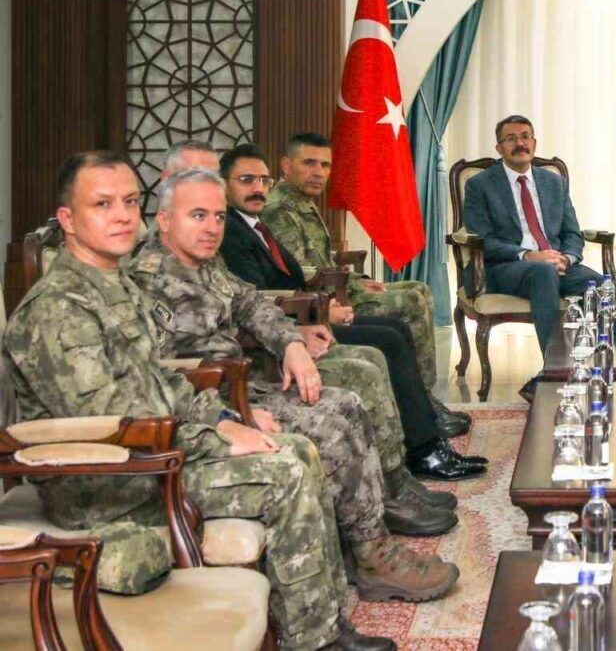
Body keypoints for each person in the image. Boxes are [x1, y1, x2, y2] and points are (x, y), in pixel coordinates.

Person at [1, 151, 396, 650]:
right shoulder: (60, 309)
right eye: (102, 204)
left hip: (151, 453)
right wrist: (216, 439)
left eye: (129, 202)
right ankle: (314, 641)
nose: (122, 216)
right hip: (108, 484)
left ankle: (324, 623)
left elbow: (161, 381)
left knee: (295, 448)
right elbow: (111, 421)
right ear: (68, 220)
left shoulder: (112, 285)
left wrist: (226, 419)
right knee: (288, 471)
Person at [129, 169, 463, 596]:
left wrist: (290, 342)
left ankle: (371, 542)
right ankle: (370, 553)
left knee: (346, 403)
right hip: (208, 404)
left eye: (218, 216)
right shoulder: (149, 279)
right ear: (164, 219)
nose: (212, 227)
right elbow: (157, 379)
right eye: (198, 215)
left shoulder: (203, 262)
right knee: (329, 422)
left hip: (239, 384)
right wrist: (230, 416)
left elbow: (249, 302)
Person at [217, 144, 483, 477]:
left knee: (394, 331)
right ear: (223, 184)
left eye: (262, 181)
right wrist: (320, 310)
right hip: (289, 330)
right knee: (387, 339)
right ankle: (423, 449)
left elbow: (297, 270)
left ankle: (424, 429)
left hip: (306, 315)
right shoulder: (233, 230)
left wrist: (336, 294)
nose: (258, 188)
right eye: (246, 180)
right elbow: (257, 295)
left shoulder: (253, 223)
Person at [261, 133, 468, 435]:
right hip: (324, 302)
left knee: (419, 289)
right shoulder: (281, 208)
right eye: (308, 163)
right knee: (411, 302)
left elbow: (322, 259)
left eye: (324, 165)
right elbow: (301, 272)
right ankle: (420, 406)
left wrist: (359, 279)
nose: (318, 172)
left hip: (337, 288)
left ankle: (423, 400)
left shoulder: (301, 202)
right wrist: (346, 291)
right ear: (286, 165)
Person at [461, 114, 606, 384]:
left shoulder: (554, 182)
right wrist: (527, 255)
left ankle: (592, 366)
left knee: (600, 286)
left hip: (554, 264)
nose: (520, 143)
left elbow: (572, 233)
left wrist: (566, 258)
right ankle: (555, 370)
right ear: (499, 148)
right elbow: (483, 239)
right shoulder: (480, 185)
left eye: (525, 137)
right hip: (502, 267)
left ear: (534, 143)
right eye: (511, 139)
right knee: (542, 273)